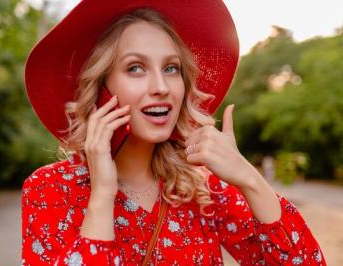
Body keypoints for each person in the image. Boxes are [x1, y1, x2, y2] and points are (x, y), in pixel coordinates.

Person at [21, 1, 326, 265]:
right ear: (102, 89)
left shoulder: (203, 188)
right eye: (136, 68)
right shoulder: (49, 190)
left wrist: (249, 178)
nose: (161, 88)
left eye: (171, 69)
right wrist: (102, 196)